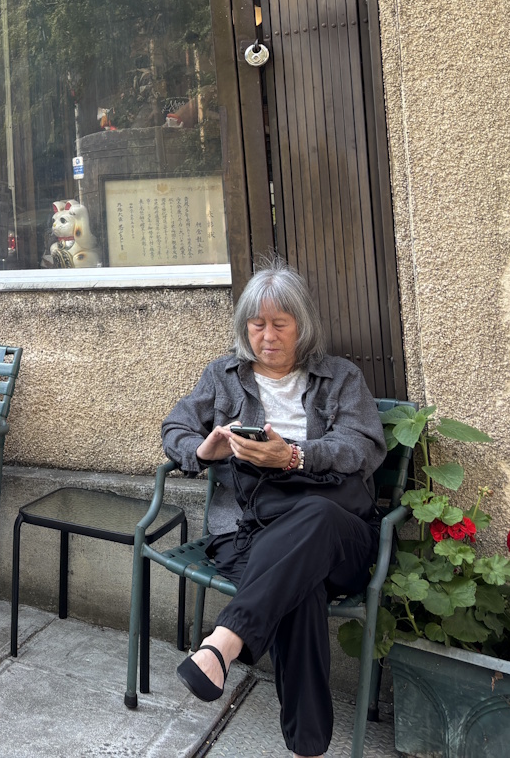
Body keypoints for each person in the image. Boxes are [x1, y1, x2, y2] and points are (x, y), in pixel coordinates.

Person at [162, 259, 386, 758]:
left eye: (279, 324)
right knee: (299, 589)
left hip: (339, 535)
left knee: (316, 516)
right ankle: (308, 749)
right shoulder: (222, 376)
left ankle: (224, 641)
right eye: (256, 324)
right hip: (251, 534)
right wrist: (203, 450)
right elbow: (174, 427)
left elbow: (364, 446)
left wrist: (295, 457)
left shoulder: (340, 378)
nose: (267, 336)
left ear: (302, 324)